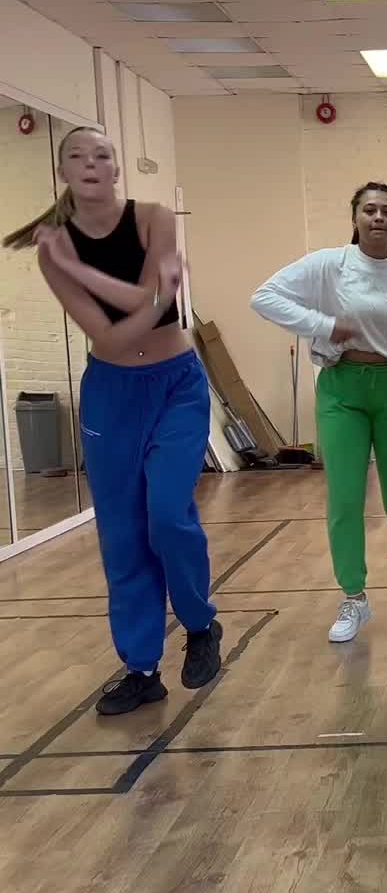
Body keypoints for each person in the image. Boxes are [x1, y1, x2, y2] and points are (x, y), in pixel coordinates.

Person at [3, 125, 220, 715]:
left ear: (117, 168)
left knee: (168, 514)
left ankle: (200, 624)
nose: (91, 163)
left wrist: (80, 269)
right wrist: (145, 295)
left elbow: (148, 308)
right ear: (63, 172)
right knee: (122, 536)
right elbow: (109, 332)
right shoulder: (53, 250)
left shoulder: (153, 218)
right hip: (111, 394)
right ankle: (142, 669)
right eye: (78, 155)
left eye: (102, 154)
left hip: (176, 387)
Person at [251, 182, 387, 642]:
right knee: (345, 498)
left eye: (386, 211)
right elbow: (264, 297)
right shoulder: (331, 265)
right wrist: (325, 325)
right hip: (341, 390)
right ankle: (354, 597)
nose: (378, 217)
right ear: (355, 218)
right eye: (369, 210)